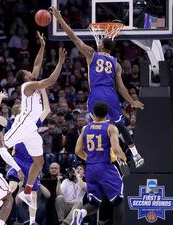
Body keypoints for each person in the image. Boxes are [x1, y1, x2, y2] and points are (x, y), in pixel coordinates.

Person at [50, 7, 145, 168]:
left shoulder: (92, 54)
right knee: (120, 126)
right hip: (111, 95)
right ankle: (135, 156)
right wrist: (132, 101)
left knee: (96, 125)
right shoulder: (116, 63)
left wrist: (59, 18)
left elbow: (73, 36)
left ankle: (106, 156)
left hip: (97, 94)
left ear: (101, 45)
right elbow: (121, 88)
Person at [4, 32, 66, 208]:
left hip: (31, 128)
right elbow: (52, 79)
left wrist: (43, 46)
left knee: (39, 162)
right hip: (23, 123)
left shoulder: (32, 81)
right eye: (27, 72)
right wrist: (60, 63)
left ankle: (27, 192)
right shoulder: (28, 85)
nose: (31, 71)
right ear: (25, 77)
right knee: (0, 145)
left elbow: (37, 63)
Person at [0, 89, 50, 225]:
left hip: (31, 163)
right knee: (11, 187)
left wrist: (43, 91)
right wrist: (0, 98)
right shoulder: (12, 125)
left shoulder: (33, 123)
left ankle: (32, 221)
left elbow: (46, 109)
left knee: (33, 194)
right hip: (17, 160)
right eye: (19, 109)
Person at [71, 102, 127, 225]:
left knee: (95, 202)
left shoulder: (86, 128)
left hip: (90, 168)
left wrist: (90, 159)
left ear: (93, 114)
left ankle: (81, 213)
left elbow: (77, 151)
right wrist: (123, 158)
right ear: (107, 113)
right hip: (106, 167)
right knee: (118, 200)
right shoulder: (110, 128)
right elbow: (117, 149)